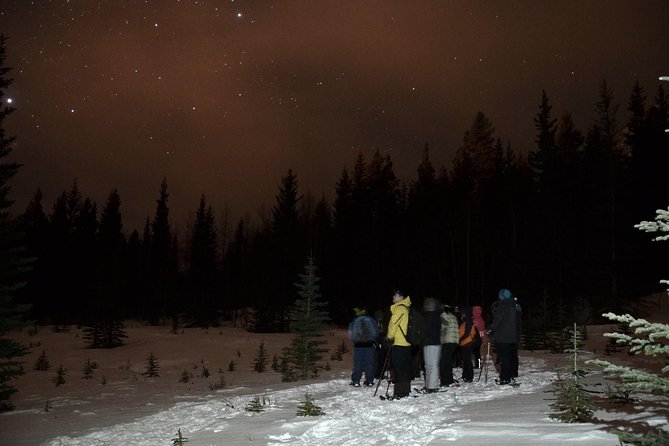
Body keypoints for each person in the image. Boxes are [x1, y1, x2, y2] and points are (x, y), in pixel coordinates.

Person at [386, 291, 412, 398]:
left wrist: (389, 337)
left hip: (399, 342)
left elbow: (393, 324)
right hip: (406, 343)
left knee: (399, 368)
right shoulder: (406, 308)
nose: (393, 297)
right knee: (404, 367)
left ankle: (399, 393)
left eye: (395, 295)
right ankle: (405, 390)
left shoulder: (400, 308)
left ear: (401, 297)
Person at [490, 288, 518, 385]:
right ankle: (510, 375)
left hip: (503, 336)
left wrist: (491, 328)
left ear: (502, 296)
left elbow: (498, 320)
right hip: (512, 336)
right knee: (510, 357)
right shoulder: (514, 305)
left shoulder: (503, 305)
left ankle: (505, 378)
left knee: (503, 358)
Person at [348, 307, 379, 387]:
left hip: (358, 345)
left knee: (358, 363)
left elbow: (351, 334)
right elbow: (376, 332)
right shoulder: (371, 320)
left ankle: (356, 381)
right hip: (369, 345)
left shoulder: (355, 321)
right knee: (369, 363)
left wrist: (355, 340)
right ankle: (370, 381)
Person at [421, 297, 442, 393]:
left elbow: (432, 331)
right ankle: (428, 384)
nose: (426, 306)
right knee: (428, 365)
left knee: (432, 365)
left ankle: (433, 386)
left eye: (428, 304)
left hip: (434, 343)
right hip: (428, 342)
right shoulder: (428, 316)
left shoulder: (435, 316)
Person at [439, 304, 459, 387]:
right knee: (448, 361)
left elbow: (443, 328)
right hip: (454, 341)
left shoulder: (444, 315)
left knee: (443, 362)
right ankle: (449, 379)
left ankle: (445, 381)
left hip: (447, 340)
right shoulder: (453, 316)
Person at [458, 306, 478, 383]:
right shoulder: (465, 321)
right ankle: (465, 375)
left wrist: (460, 340)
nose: (461, 314)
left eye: (462, 313)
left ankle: (469, 376)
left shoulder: (468, 321)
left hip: (468, 342)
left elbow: (467, 333)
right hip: (465, 343)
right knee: (465, 360)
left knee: (467, 360)